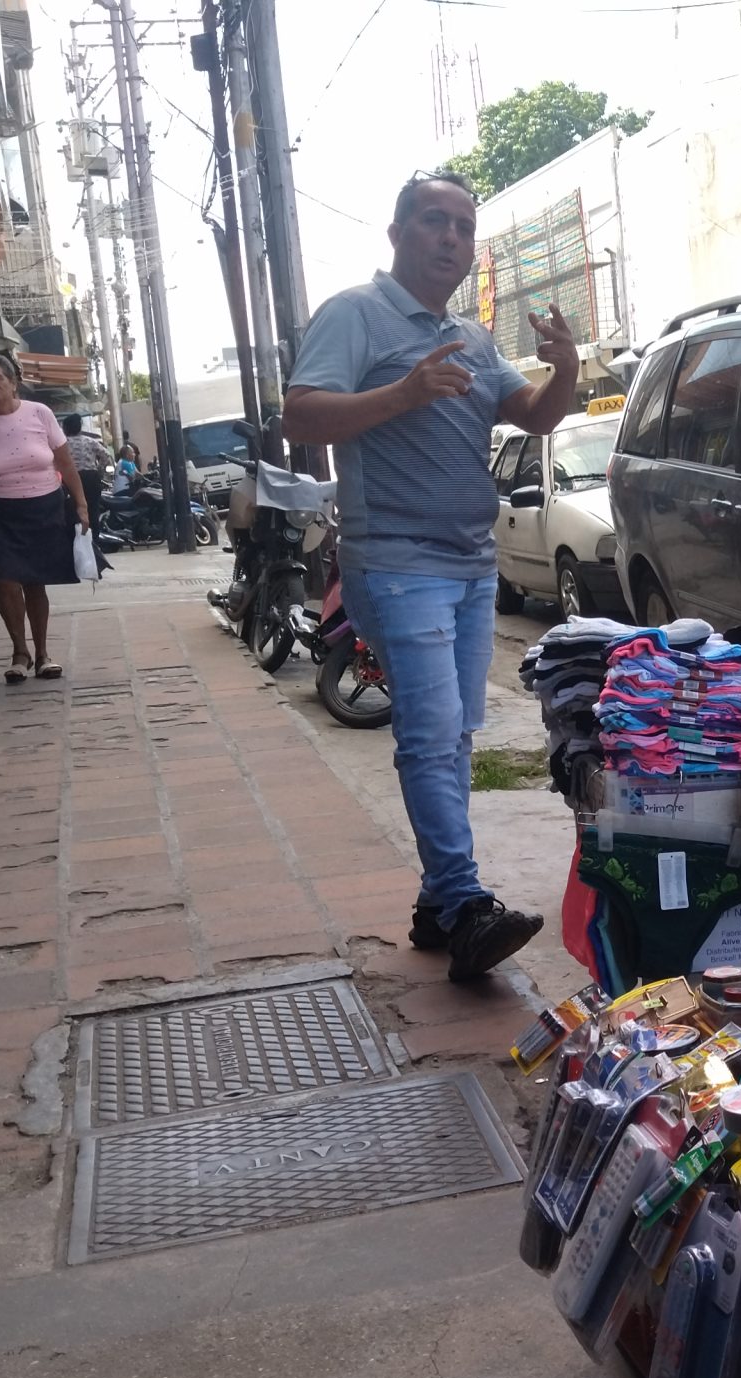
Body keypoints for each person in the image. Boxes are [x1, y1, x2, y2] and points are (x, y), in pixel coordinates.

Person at [284, 170, 584, 981]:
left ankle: (437, 907)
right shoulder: (356, 314)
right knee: (429, 730)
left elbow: (533, 416)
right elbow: (301, 413)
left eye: (462, 224)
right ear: (398, 233)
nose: (450, 237)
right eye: (432, 220)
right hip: (396, 558)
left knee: (453, 734)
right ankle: (463, 898)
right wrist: (404, 391)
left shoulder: (474, 338)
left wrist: (566, 370)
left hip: (469, 563)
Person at [0, 352, 91, 684]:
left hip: (43, 507)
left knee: (35, 581)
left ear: (13, 382)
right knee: (6, 580)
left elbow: (65, 463)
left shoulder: (41, 414)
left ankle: (42, 654)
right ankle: (19, 652)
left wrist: (81, 504)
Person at [63, 412, 112, 489]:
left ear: (65, 428)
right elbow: (106, 454)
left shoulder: (63, 444)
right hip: (91, 476)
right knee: (93, 500)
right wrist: (99, 469)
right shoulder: (90, 441)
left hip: (71, 477)